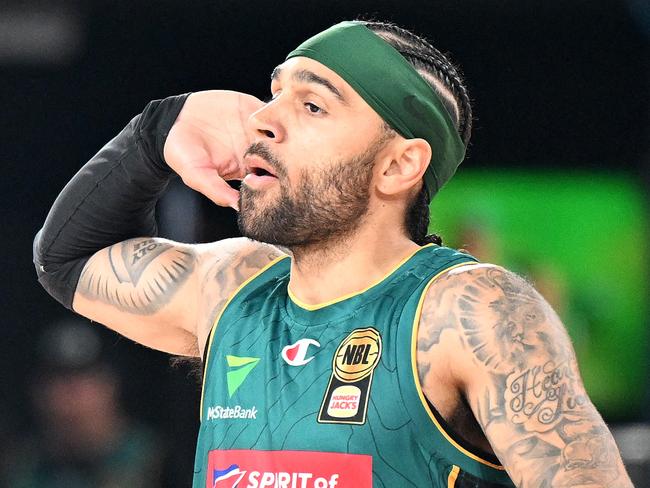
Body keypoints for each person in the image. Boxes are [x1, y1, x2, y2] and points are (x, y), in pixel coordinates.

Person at [33, 19, 632, 488]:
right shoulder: (233, 285)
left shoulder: (468, 308)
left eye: (312, 105)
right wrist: (158, 128)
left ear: (399, 165)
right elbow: (65, 258)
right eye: (274, 95)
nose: (262, 119)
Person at [2, 318, 162, 488]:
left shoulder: (155, 461)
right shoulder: (22, 465)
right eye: (61, 381)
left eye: (86, 379)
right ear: (39, 392)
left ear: (111, 386)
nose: (72, 395)